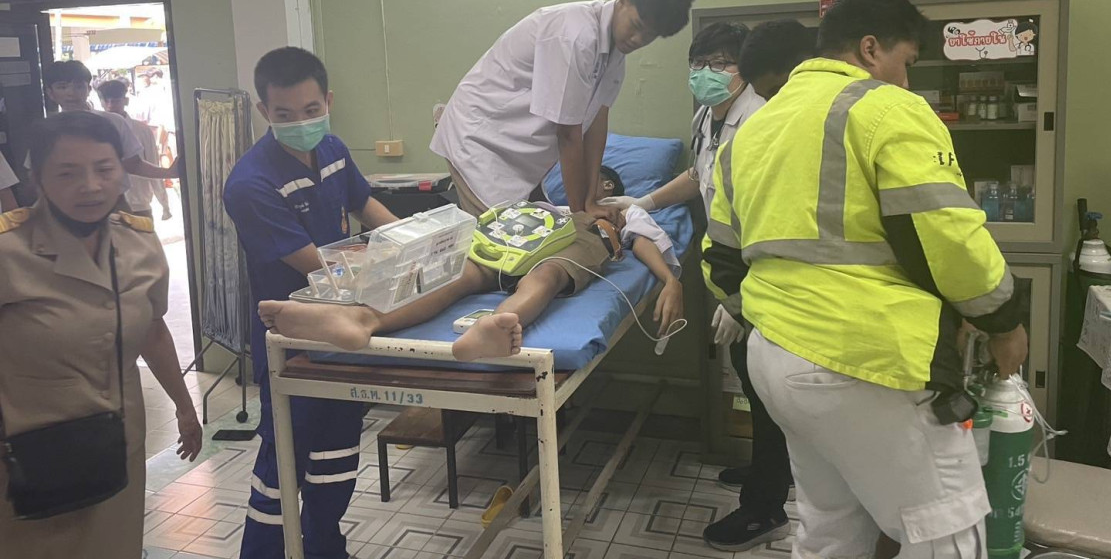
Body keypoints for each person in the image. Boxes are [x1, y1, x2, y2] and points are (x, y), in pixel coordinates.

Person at [704, 0, 1028, 557]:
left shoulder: (753, 131)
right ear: (872, 48)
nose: (906, 79)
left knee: (831, 528)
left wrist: (767, 316)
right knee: (946, 534)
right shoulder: (887, 109)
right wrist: (1003, 321)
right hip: (864, 363)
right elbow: (948, 237)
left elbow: (720, 259)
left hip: (776, 359)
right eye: (907, 61)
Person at [603, 20, 815, 550]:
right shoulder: (707, 115)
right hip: (726, 269)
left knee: (766, 389)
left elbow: (768, 214)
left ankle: (765, 508)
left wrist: (743, 300)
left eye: (721, 63)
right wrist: (642, 202)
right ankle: (766, 469)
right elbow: (700, 177)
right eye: (698, 64)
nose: (707, 73)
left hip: (757, 273)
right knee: (750, 379)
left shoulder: (761, 118)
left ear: (746, 69)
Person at [223, 47, 400, 559]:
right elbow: (318, 266)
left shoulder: (333, 148)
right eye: (285, 114)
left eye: (310, 110)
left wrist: (419, 240)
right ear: (264, 111)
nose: (301, 123)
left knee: (336, 461)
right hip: (292, 342)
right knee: (282, 470)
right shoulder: (251, 184)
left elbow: (364, 204)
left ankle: (326, 550)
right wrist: (395, 268)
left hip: (342, 332)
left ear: (328, 102)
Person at [0, 111, 202, 559]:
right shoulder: (8, 251)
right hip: (30, 453)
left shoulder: (139, 244)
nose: (90, 186)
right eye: (68, 173)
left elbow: (153, 332)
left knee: (116, 545)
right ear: (38, 178)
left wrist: (185, 407)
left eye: (104, 169)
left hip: (117, 443)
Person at [256, 165, 685, 358]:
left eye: (600, 179)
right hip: (512, 238)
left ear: (609, 186)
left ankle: (492, 329)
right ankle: (361, 319)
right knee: (455, 274)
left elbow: (646, 242)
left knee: (546, 277)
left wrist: (669, 280)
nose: (588, 183)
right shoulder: (547, 202)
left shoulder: (618, 210)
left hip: (576, 241)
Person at [431, 0, 695, 222]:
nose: (638, 40)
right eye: (636, 26)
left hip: (516, 155)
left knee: (545, 232)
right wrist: (581, 212)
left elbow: (596, 125)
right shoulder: (576, 35)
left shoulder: (615, 56)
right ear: (624, 0)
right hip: (479, 140)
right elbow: (568, 134)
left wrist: (590, 200)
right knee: (501, 239)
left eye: (649, 36)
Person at [33, 61, 180, 203]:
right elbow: (36, 173)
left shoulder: (113, 122)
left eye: (78, 86)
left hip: (113, 202)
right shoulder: (46, 130)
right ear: (50, 93)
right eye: (62, 87)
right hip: (66, 204)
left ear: (89, 89)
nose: (71, 93)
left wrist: (168, 173)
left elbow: (133, 164)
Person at [97, 79, 173, 219]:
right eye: (106, 101)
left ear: (125, 101)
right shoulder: (95, 130)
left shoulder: (142, 130)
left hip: (139, 204)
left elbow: (152, 161)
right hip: (108, 205)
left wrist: (164, 204)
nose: (110, 105)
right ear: (101, 102)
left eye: (115, 101)